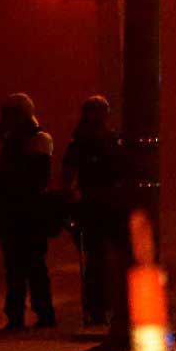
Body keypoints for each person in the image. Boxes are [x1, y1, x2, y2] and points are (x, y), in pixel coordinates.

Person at [0, 94, 57, 331]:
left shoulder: (38, 140)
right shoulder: (15, 141)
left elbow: (35, 178)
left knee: (33, 264)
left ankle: (44, 313)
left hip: (29, 212)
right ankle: (16, 315)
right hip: (12, 211)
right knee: (15, 266)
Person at [59, 95, 129, 330]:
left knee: (106, 258)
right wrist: (69, 198)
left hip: (106, 203)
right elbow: (68, 175)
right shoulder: (83, 141)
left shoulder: (108, 139)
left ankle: (107, 307)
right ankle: (99, 308)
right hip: (95, 204)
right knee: (98, 258)